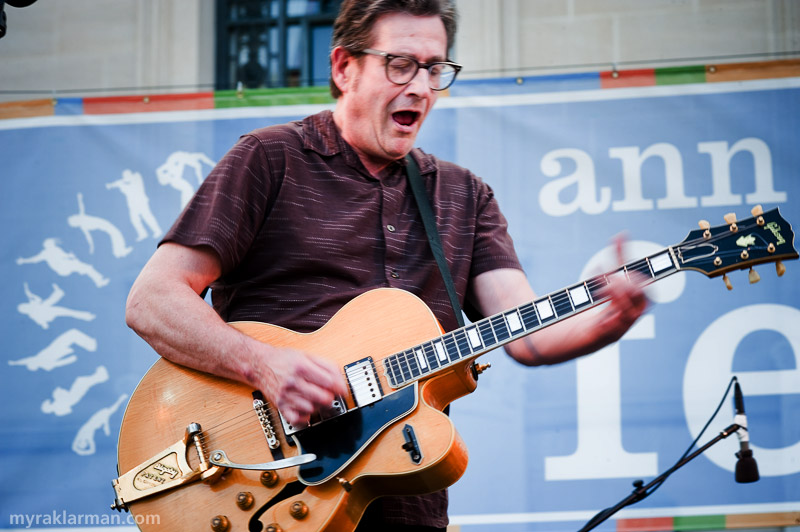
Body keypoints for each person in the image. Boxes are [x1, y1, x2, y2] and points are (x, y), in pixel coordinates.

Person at [125, 0, 648, 530]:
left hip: (407, 505)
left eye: (434, 68)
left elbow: (527, 336)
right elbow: (152, 301)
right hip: (264, 487)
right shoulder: (270, 158)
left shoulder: (466, 196)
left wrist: (609, 320)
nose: (421, 86)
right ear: (343, 68)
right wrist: (264, 364)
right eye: (400, 64)